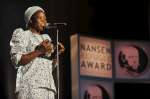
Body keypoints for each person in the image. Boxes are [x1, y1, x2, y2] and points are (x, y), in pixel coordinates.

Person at [10, 6, 64, 99]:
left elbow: (47, 67)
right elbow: (16, 60)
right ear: (31, 20)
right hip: (30, 86)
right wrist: (39, 51)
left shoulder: (46, 38)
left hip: (48, 87)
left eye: (45, 19)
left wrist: (56, 55)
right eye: (40, 18)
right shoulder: (23, 34)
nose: (44, 22)